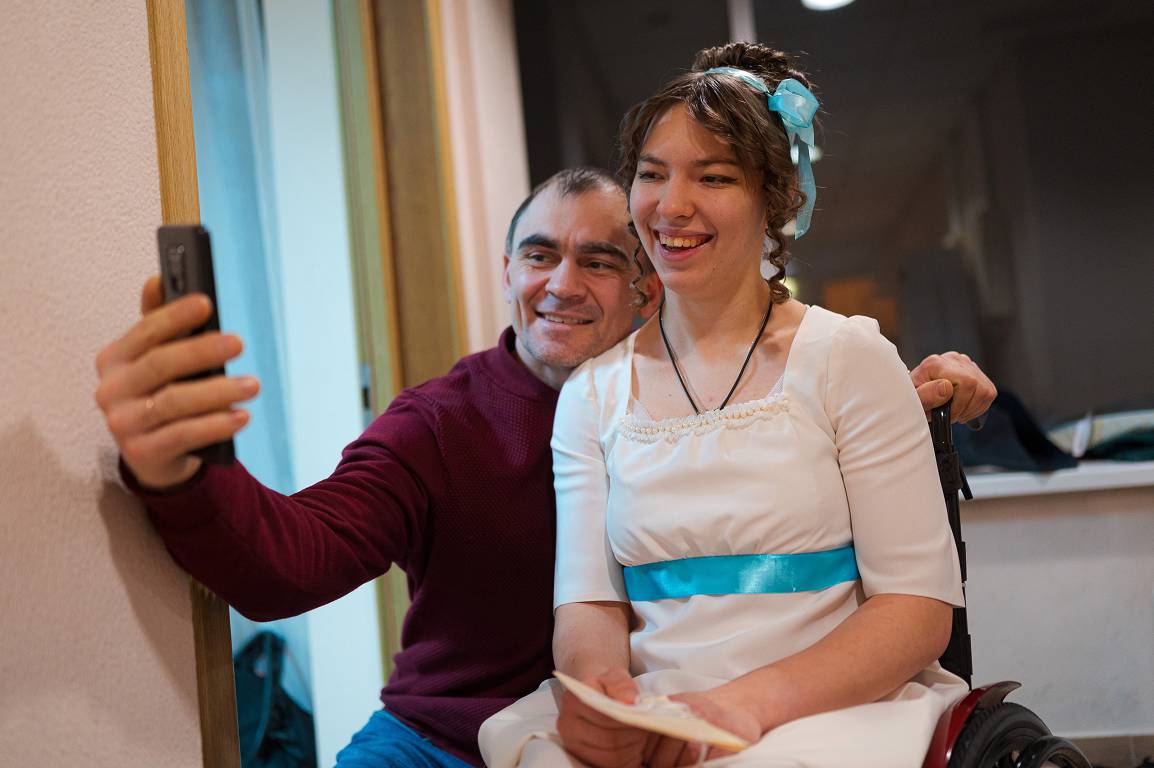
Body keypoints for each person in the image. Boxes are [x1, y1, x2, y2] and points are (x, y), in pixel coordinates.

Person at [94, 165, 993, 765]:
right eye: (539, 255)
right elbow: (294, 561)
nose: (561, 284)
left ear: (648, 288)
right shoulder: (439, 424)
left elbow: (790, 446)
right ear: (507, 273)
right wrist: (181, 470)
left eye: (598, 261)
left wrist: (909, 398)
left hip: (651, 733)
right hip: (442, 740)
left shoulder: (715, 393)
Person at [479, 43, 976, 768]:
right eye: (652, 174)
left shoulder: (848, 358)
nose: (671, 205)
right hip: (660, 705)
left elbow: (917, 612)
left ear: (773, 199)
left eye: (713, 177)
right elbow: (589, 605)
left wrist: (742, 707)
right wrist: (606, 700)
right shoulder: (592, 393)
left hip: (831, 707)